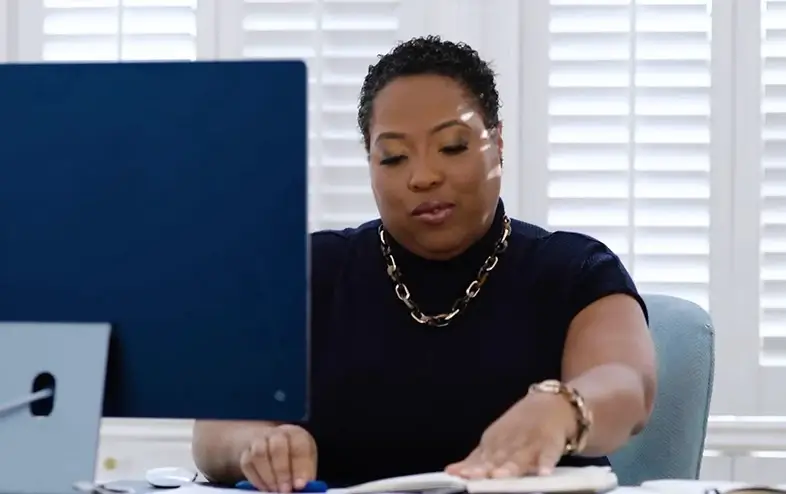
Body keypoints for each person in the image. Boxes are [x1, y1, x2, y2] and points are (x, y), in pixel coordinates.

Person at [191, 35, 657, 491]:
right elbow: (214, 432)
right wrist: (257, 445)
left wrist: (564, 409)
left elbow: (627, 388)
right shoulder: (310, 273)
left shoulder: (574, 271)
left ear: (497, 144)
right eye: (393, 157)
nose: (423, 176)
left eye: (452, 147)